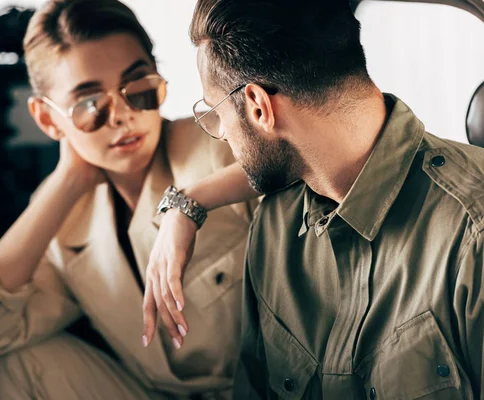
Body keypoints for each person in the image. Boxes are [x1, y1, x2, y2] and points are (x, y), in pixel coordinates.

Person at [143, 0, 484, 398]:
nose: (221, 134)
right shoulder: (274, 226)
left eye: (216, 113)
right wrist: (185, 207)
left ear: (258, 106)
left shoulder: (472, 237)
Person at [0, 0, 258, 398]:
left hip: (258, 389)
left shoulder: (215, 144)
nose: (122, 115)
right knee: (13, 357)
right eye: (90, 104)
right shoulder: (70, 224)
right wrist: (67, 180)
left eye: (139, 87)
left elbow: (297, 159)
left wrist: (191, 202)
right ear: (47, 119)